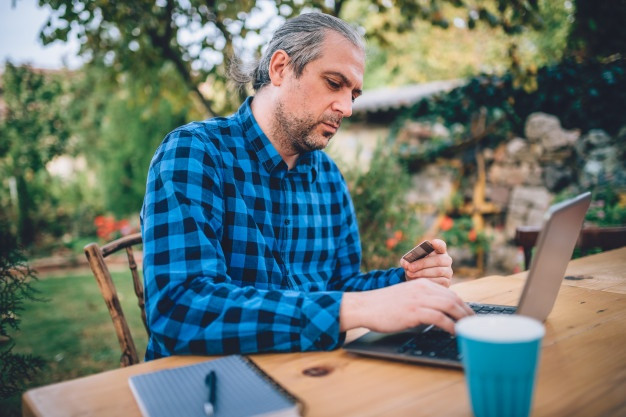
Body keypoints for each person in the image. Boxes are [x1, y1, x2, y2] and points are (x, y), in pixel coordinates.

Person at [140, 12, 473, 360]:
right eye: (333, 83)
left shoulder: (328, 177)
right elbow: (179, 309)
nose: (345, 108)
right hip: (205, 384)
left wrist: (405, 286)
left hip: (305, 372)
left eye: (354, 95)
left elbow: (340, 287)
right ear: (281, 68)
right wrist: (351, 308)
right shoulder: (195, 153)